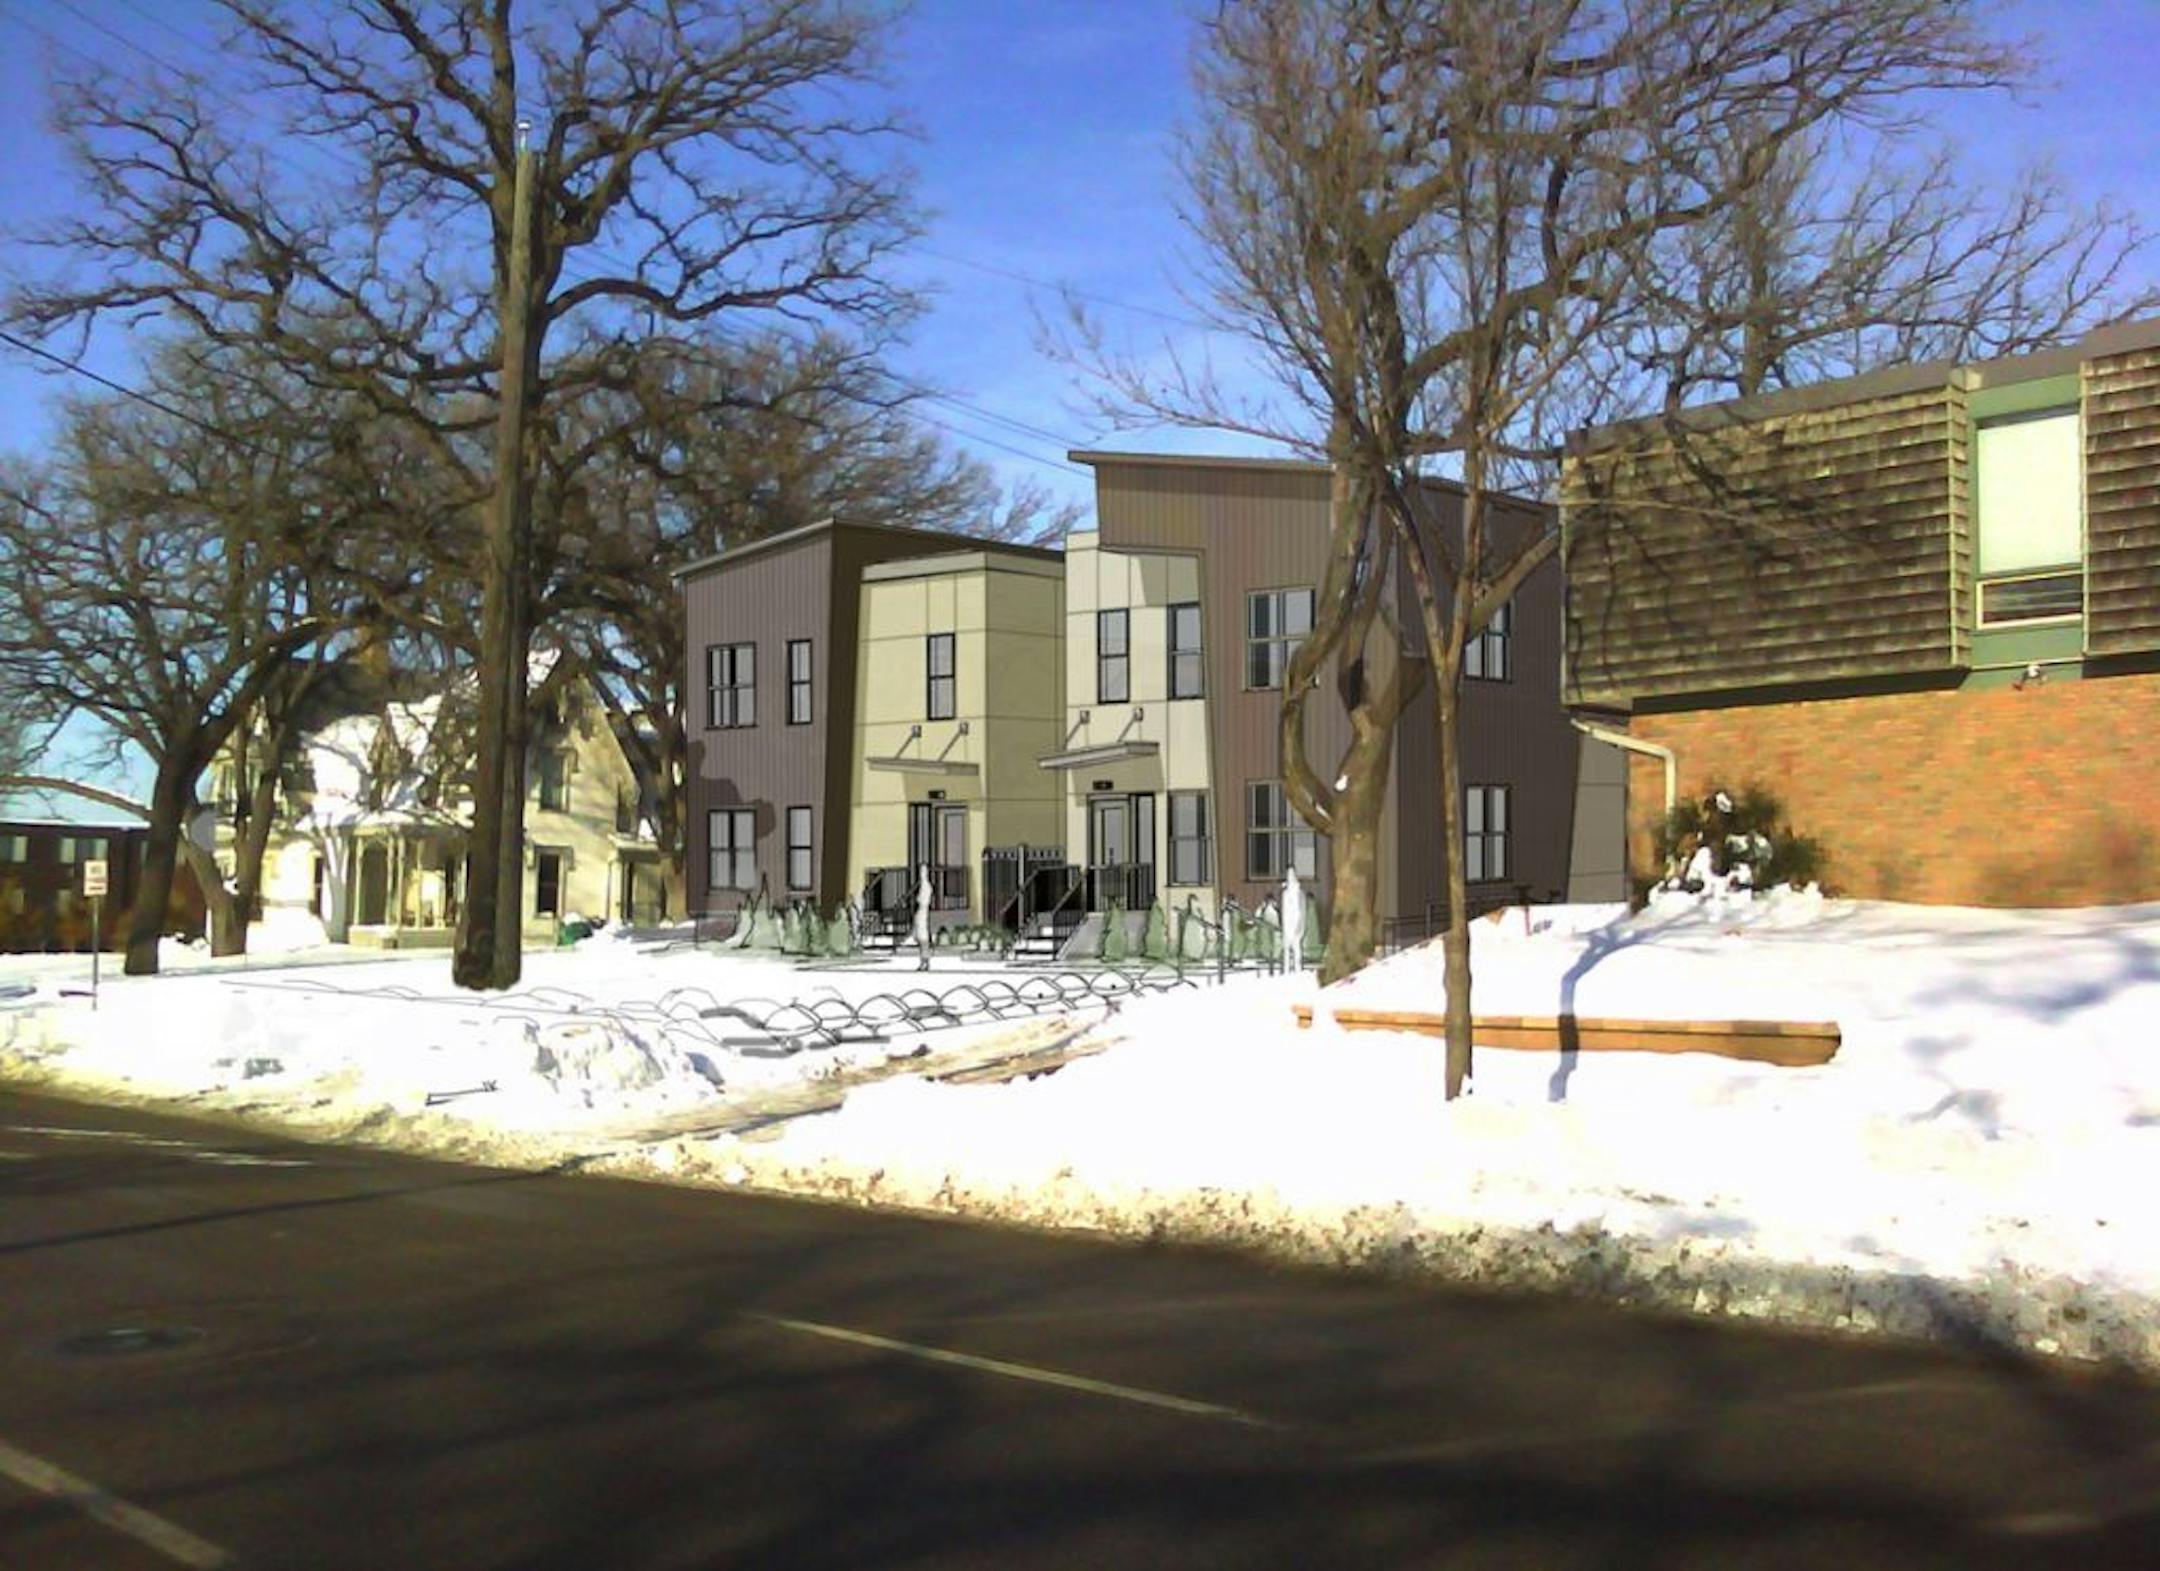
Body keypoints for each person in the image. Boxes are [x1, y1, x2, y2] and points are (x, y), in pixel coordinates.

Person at [911, 862, 933, 972]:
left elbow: (923, 900)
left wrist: (919, 902)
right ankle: (923, 961)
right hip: (920, 911)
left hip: (922, 910)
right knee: (921, 937)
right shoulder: (922, 885)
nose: (921, 873)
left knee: (923, 937)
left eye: (923, 871)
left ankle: (925, 961)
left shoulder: (926, 886)